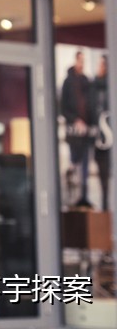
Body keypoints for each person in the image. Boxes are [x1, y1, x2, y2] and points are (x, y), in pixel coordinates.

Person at [61, 49, 94, 208]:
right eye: (80, 60)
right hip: (74, 132)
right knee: (75, 162)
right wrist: (75, 120)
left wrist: (89, 123)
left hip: (86, 133)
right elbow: (63, 108)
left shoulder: (86, 81)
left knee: (85, 166)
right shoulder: (68, 82)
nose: (82, 64)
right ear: (75, 61)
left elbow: (92, 105)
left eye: (83, 61)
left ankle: (84, 197)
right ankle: (72, 197)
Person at [93, 54, 111, 212]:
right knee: (103, 180)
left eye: (103, 65)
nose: (101, 68)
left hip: (110, 139)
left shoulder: (111, 87)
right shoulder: (93, 87)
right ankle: (105, 209)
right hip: (100, 143)